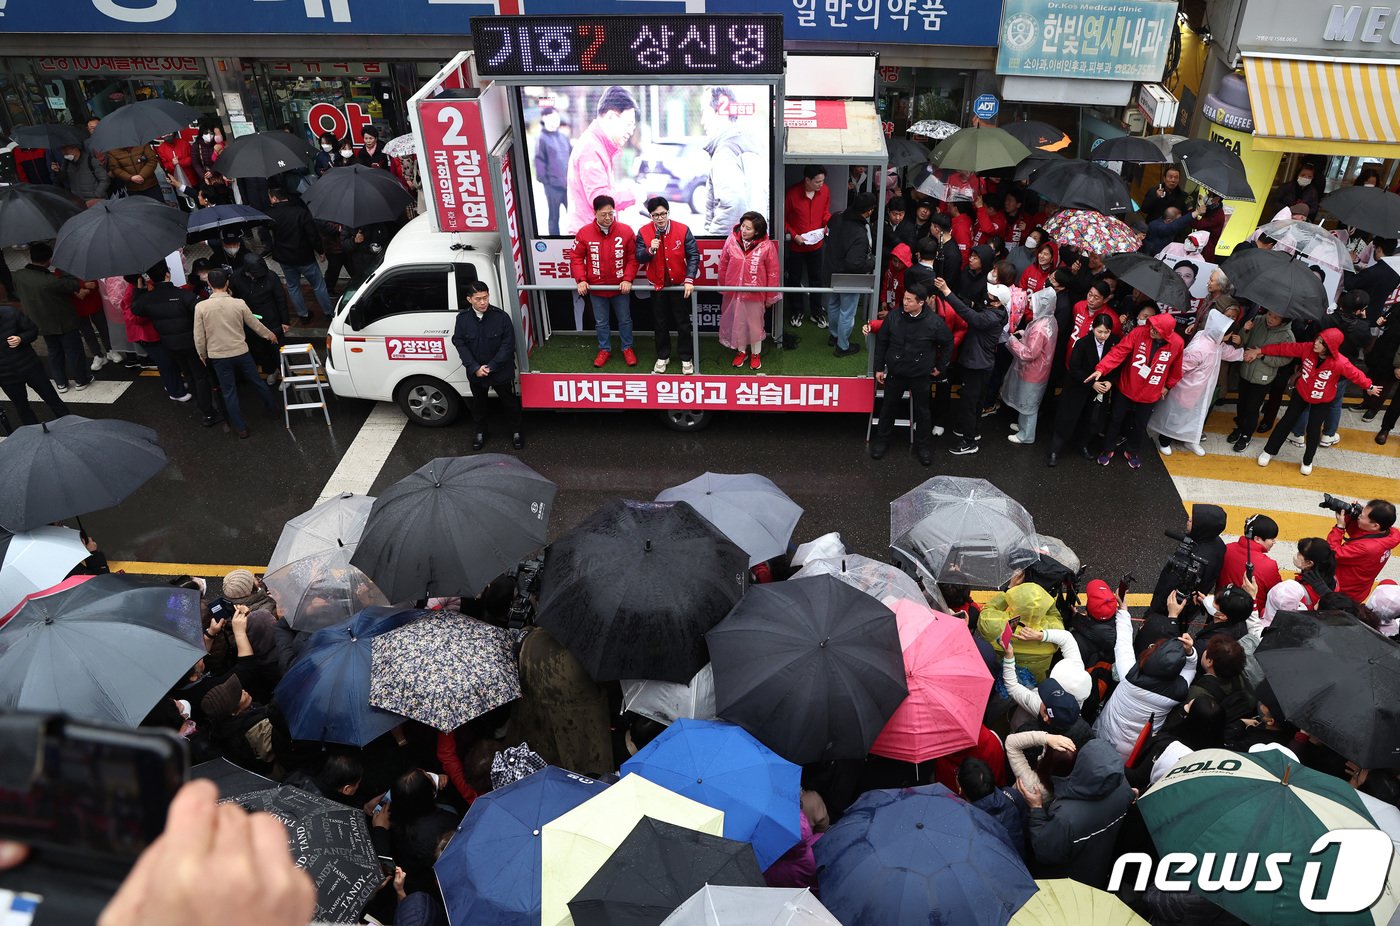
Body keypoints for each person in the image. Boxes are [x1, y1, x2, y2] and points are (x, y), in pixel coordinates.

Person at [1251, 329, 1380, 475]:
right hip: (1301, 393)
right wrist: (1261, 350)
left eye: (1321, 342)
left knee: (1313, 429)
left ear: (1329, 347)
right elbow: (1285, 348)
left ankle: (1307, 461)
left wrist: (1369, 386)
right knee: (1286, 421)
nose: (1316, 343)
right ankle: (1269, 451)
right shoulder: (1307, 348)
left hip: (1323, 400)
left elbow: (1355, 374)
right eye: (1317, 339)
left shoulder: (1340, 362)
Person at [1020, 737, 1134, 889]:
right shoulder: (1124, 788)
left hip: (1069, 880)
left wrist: (1036, 808)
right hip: (1098, 868)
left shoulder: (1066, 816)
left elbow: (1045, 850)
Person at [1093, 592, 1197, 757]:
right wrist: (1190, 652)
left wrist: (1124, 610)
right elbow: (1191, 668)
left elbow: (1123, 642)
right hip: (1136, 751)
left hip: (1106, 735)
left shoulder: (1130, 673)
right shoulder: (1179, 691)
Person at [870, 282, 953, 466]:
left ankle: (923, 447)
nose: (904, 302)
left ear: (921, 302)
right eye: (904, 298)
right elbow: (882, 342)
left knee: (923, 412)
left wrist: (940, 366)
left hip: (920, 374)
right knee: (888, 408)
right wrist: (878, 367)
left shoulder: (934, 322)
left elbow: (948, 343)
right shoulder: (894, 317)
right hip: (896, 372)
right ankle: (881, 441)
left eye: (909, 300)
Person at [1087, 313, 1183, 469]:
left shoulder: (1177, 343)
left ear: (1165, 333)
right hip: (1126, 386)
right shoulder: (1139, 332)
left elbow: (1177, 368)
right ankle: (1107, 449)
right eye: (1152, 326)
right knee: (1115, 419)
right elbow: (1119, 352)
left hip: (1151, 392)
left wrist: (1167, 386)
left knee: (1140, 425)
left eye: (1157, 330)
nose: (1152, 331)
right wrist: (1101, 368)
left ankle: (1132, 451)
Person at [194, 268, 281, 439]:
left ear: (209, 284)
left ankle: (241, 428)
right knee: (257, 382)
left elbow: (199, 335)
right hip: (241, 352)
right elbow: (255, 324)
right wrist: (270, 335)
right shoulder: (238, 303)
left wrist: (202, 354)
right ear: (227, 283)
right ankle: (274, 410)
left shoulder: (201, 307)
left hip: (218, 356)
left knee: (229, 391)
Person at [134, 262, 221, 426]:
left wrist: (140, 287)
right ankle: (208, 412)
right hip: (191, 343)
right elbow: (203, 310)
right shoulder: (183, 295)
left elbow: (135, 309)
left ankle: (199, 406)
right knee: (200, 376)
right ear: (168, 274)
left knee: (187, 374)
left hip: (169, 344)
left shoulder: (147, 299)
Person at [1149, 309, 1241, 456]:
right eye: (1228, 334)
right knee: (1177, 415)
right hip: (1188, 389)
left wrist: (1243, 354)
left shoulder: (1214, 341)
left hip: (1202, 390)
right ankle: (1164, 440)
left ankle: (1190, 438)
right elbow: (1181, 368)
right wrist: (1168, 385)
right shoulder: (1200, 348)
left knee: (1195, 415)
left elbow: (1224, 352)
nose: (1229, 337)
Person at [932, 276, 1001, 456]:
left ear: (997, 303)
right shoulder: (997, 313)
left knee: (969, 404)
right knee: (976, 402)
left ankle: (969, 442)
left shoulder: (988, 319)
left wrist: (947, 292)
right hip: (982, 364)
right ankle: (973, 431)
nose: (986, 296)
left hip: (977, 366)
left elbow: (967, 314)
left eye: (991, 296)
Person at [452, 280, 521, 451]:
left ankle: (516, 431)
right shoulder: (462, 319)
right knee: (479, 404)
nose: (483, 302)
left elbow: (508, 344)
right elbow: (459, 343)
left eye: (485, 297)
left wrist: (491, 367)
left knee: (509, 403)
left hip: (500, 371)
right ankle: (480, 432)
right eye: (478, 299)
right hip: (476, 372)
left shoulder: (501, 317)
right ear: (469, 300)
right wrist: (474, 367)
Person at [12, 242, 91, 393]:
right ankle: (81, 379)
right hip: (64, 322)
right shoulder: (51, 281)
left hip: (40, 323)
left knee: (54, 352)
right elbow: (73, 284)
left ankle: (61, 382)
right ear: (49, 259)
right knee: (73, 352)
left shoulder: (19, 275)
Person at [570, 194, 638, 369]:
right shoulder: (584, 232)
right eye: (603, 214)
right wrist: (581, 280)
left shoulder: (626, 231)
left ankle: (627, 348)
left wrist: (628, 279)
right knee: (601, 322)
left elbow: (633, 258)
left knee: (625, 320)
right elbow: (576, 257)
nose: (608, 218)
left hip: (620, 287)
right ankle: (604, 349)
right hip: (597, 288)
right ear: (595, 213)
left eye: (611, 213)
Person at [635, 196, 699, 374]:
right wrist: (649, 250)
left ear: (668, 213)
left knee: (683, 323)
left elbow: (694, 255)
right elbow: (639, 256)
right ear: (650, 216)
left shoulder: (683, 229)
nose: (660, 218)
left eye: (663, 214)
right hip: (657, 285)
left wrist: (689, 279)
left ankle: (686, 357)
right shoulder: (643, 232)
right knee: (660, 323)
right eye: (656, 215)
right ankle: (663, 356)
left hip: (679, 285)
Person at [563, 86, 638, 236]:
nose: (631, 131)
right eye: (629, 124)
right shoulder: (591, 148)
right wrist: (634, 194)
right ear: (611, 116)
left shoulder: (598, 145)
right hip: (589, 241)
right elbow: (600, 200)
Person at [717, 211, 780, 370]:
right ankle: (741, 352)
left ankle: (755, 354)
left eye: (748, 228)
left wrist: (770, 297)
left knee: (755, 325)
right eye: (743, 226)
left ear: (757, 231)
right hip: (734, 292)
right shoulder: (732, 240)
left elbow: (773, 273)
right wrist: (723, 287)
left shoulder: (767, 246)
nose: (743, 230)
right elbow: (723, 264)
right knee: (738, 323)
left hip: (755, 293)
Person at [1228, 309, 1294, 453]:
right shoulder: (1257, 321)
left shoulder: (1287, 336)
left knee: (1253, 407)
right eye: (1269, 314)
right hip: (1246, 370)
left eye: (1276, 317)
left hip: (1263, 377)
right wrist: (1244, 331)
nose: (1270, 318)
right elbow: (1242, 342)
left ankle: (1246, 435)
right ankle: (1240, 428)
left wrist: (1263, 356)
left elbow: (1286, 358)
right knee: (1242, 403)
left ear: (1284, 320)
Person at [265, 186, 334, 322]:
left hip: (284, 258)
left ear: (274, 198)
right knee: (319, 285)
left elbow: (265, 234)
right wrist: (320, 251)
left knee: (293, 286)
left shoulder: (270, 215)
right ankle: (328, 312)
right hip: (304, 256)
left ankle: (303, 315)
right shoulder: (300, 212)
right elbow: (312, 235)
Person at [701, 86, 761, 236]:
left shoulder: (725, 151)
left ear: (720, 109)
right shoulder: (747, 144)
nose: (702, 121)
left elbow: (732, 206)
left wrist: (712, 242)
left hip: (732, 248)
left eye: (704, 112)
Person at [0, 295, 69, 427]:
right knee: (22, 408)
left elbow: (32, 330)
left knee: (52, 398)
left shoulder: (10, 313)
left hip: (30, 367)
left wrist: (21, 338)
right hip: (6, 377)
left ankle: (70, 424)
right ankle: (34, 433)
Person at [1002, 288, 1058, 446]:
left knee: (1029, 404)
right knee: (1028, 401)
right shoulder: (1049, 319)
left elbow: (1029, 353)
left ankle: (1026, 435)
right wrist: (1025, 333)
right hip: (1038, 370)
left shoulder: (1039, 328)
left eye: (1034, 302)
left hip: (1033, 371)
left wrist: (1012, 340)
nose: (1030, 304)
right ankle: (1022, 426)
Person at [825, 191, 877, 358]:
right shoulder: (859, 232)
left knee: (833, 305)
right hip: (848, 276)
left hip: (831, 270)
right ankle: (843, 346)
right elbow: (855, 263)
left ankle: (834, 336)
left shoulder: (836, 217)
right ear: (869, 211)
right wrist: (871, 262)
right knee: (847, 311)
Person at [783, 165, 832, 329]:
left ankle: (817, 312)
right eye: (818, 181)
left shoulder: (825, 191)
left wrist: (827, 224)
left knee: (817, 279)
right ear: (807, 180)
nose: (821, 184)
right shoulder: (792, 194)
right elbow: (782, 218)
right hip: (797, 245)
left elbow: (825, 212)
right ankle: (797, 311)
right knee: (794, 278)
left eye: (823, 181)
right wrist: (794, 235)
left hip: (817, 245)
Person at [1327, 500, 1400, 603]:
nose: (1359, 516)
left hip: (1342, 592)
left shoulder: (1368, 548)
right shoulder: (1389, 533)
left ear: (1375, 525)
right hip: (1358, 590)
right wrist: (1349, 516)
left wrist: (1339, 527)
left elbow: (1332, 553)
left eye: (1362, 515)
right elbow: (1358, 535)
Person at [1218, 514, 1283, 612]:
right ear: (1257, 539)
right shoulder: (1269, 565)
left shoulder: (1227, 549)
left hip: (1221, 607)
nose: (1274, 541)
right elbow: (1277, 594)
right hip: (1250, 614)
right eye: (1272, 538)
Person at [533, 107, 572, 237]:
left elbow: (572, 157)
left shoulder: (563, 137)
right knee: (554, 217)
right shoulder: (542, 138)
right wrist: (546, 180)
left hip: (568, 185)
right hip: (552, 186)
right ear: (544, 119)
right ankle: (555, 242)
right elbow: (539, 160)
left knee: (573, 214)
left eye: (556, 118)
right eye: (550, 118)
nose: (554, 121)